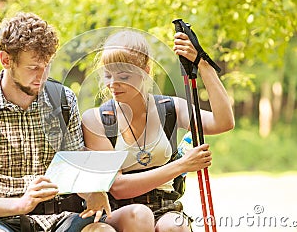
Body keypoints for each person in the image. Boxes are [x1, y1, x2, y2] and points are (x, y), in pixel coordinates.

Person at [0, 12, 117, 232]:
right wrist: (20, 203)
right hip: (1, 222)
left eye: (47, 66)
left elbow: (74, 170)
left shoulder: (63, 102)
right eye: (33, 68)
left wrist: (93, 190)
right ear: (6, 60)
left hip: (61, 217)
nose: (42, 76)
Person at [82, 29, 235, 231]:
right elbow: (117, 188)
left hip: (165, 207)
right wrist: (181, 165)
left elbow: (223, 122)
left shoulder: (170, 108)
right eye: (108, 75)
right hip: (119, 212)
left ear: (145, 71)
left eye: (124, 76)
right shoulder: (97, 120)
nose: (112, 84)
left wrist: (203, 64)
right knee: (140, 216)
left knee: (175, 226)